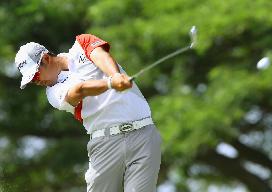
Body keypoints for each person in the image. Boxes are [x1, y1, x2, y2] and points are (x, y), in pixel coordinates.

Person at [15, 34, 162, 192]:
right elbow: (80, 90)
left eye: (36, 75)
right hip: (105, 144)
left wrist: (115, 75)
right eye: (32, 81)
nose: (37, 82)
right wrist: (111, 83)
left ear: (46, 59)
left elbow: (101, 56)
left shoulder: (82, 44)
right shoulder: (52, 93)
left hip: (144, 134)